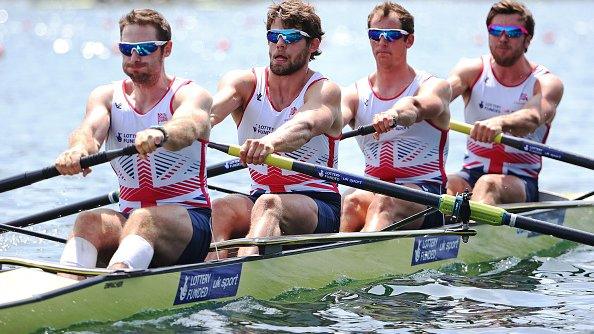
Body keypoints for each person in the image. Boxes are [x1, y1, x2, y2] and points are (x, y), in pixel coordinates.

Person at [55, 9, 213, 274]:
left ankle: (115, 285)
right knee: (88, 221)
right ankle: (65, 287)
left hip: (189, 223)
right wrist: (78, 150)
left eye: (145, 48)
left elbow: (189, 125)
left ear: (167, 50)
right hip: (131, 220)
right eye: (127, 49)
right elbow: (90, 132)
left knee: (143, 219)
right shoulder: (106, 96)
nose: (134, 57)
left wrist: (162, 133)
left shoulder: (190, 94)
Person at [208, 0, 342, 258]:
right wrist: (173, 130)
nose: (280, 43)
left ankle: (244, 269)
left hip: (317, 204)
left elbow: (306, 125)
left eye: (291, 37)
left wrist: (270, 143)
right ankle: (205, 274)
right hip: (259, 197)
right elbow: (209, 113)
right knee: (220, 208)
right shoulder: (243, 82)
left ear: (313, 45)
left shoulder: (324, 90)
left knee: (269, 204)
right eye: (274, 36)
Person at [340, 2, 451, 233]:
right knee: (350, 201)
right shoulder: (354, 93)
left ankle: (358, 258)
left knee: (384, 202)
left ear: (408, 40)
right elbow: (332, 119)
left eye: (391, 35)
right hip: (374, 189)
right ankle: (331, 259)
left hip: (427, 196)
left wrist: (394, 115)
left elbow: (416, 107)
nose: (382, 41)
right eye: (375, 35)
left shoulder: (433, 86)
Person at [446, 0, 564, 205]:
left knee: (487, 184)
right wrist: (410, 108)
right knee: (444, 184)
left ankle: (473, 234)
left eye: (512, 32)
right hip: (470, 174)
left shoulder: (546, 83)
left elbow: (533, 117)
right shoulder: (470, 70)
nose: (503, 38)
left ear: (527, 40)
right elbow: (438, 97)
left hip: (520, 181)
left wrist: (500, 123)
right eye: (496, 30)